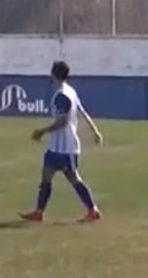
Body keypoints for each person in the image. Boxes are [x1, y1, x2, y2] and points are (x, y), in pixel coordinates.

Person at [21, 61, 104, 223]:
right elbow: (82, 111)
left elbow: (62, 122)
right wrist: (95, 131)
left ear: (53, 75)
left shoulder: (62, 96)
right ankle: (39, 212)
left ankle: (93, 210)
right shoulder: (70, 91)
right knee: (46, 177)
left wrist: (42, 131)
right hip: (54, 148)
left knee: (74, 178)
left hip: (66, 148)